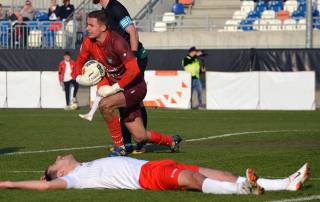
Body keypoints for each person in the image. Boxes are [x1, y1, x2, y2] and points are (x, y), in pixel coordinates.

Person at [74, 10, 182, 156]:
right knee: (140, 136)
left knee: (105, 105)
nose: (87, 28)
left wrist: (113, 88)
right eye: (87, 24)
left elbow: (134, 70)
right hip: (120, 90)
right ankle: (171, 141)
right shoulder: (88, 42)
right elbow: (80, 61)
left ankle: (120, 147)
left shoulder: (117, 42)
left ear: (103, 27)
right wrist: (78, 78)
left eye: (91, 25)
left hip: (135, 87)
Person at [0, 154, 310, 194]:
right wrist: (8, 182)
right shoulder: (76, 178)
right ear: (60, 171)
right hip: (146, 178)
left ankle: (285, 182)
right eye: (57, 160)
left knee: (216, 170)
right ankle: (245, 190)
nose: (60, 156)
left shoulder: (83, 166)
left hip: (153, 166)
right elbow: (44, 189)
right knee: (193, 180)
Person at [79, 0, 149, 154]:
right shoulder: (104, 10)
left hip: (133, 57)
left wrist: (134, 56)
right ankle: (127, 143)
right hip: (122, 58)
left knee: (133, 99)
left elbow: (132, 31)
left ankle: (138, 143)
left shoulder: (115, 8)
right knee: (120, 99)